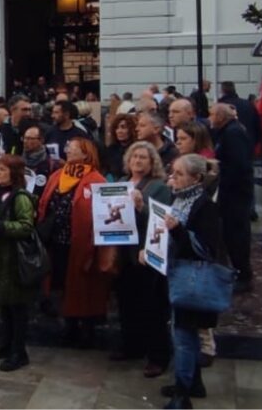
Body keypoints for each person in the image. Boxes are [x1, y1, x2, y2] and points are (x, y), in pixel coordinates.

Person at [155, 154, 222, 409]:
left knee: (183, 336)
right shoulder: (178, 198)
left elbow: (205, 248)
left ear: (196, 178)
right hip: (174, 271)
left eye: (179, 174)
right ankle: (193, 381)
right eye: (173, 173)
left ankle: (182, 394)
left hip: (192, 277)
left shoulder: (204, 206)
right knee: (184, 332)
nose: (173, 178)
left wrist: (177, 230)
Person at [38, 136, 115, 348]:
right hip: (57, 243)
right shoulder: (57, 176)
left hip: (83, 244)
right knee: (63, 285)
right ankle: (69, 325)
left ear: (85, 153)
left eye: (73, 148)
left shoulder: (96, 180)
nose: (68, 151)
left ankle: (87, 329)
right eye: (68, 147)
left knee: (85, 288)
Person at [114, 142, 172, 378]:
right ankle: (131, 346)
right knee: (126, 301)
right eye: (134, 156)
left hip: (146, 251)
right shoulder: (120, 182)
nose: (137, 161)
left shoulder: (158, 187)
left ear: (152, 163)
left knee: (152, 305)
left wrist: (141, 207)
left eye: (143, 158)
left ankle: (157, 356)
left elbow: (162, 218)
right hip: (123, 251)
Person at [0, 154, 37, 371]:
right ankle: (5, 342)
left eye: (2, 169)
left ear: (13, 174)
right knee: (4, 303)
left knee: (16, 306)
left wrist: (2, 227)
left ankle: (18, 350)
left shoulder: (20, 197)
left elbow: (26, 226)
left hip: (14, 258)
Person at [209, 103, 254, 292]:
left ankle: (243, 274)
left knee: (236, 235)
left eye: (211, 114)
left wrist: (218, 170)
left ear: (220, 116)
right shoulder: (226, 132)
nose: (209, 118)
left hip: (236, 194)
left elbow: (238, 165)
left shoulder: (232, 134)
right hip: (231, 193)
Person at [218, 81, 262, 150]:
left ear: (222, 91)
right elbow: (258, 125)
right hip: (249, 144)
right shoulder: (248, 104)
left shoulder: (220, 106)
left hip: (228, 146)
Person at [21, 124, 61, 198]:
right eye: (25, 138)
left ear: (41, 140)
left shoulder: (51, 164)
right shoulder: (19, 161)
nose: (25, 141)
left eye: (30, 138)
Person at [105, 114, 137, 181]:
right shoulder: (111, 150)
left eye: (123, 127)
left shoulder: (137, 148)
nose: (119, 131)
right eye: (116, 128)